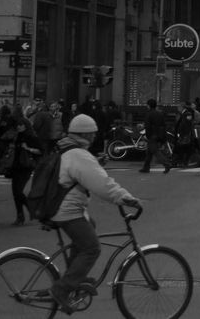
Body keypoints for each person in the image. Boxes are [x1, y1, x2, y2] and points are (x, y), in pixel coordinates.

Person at [48, 114, 139, 312]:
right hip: (66, 211)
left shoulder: (69, 149)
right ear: (87, 134)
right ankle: (62, 288)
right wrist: (125, 198)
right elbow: (103, 186)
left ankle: (76, 278)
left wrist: (95, 162)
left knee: (90, 227)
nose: (95, 137)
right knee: (92, 248)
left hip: (62, 207)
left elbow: (82, 172)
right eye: (93, 133)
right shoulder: (79, 155)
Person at [9, 116, 42, 225]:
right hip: (16, 166)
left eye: (21, 125)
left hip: (26, 167)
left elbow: (40, 151)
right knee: (15, 193)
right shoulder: (17, 136)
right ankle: (20, 215)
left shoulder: (31, 137)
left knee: (18, 191)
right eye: (17, 125)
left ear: (25, 125)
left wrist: (28, 148)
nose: (18, 127)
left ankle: (30, 209)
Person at [139, 99, 171, 174]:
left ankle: (167, 164)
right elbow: (163, 125)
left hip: (152, 135)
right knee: (149, 152)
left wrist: (147, 135)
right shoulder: (159, 114)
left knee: (155, 151)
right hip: (159, 134)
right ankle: (146, 167)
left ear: (148, 105)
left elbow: (148, 126)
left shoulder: (148, 114)